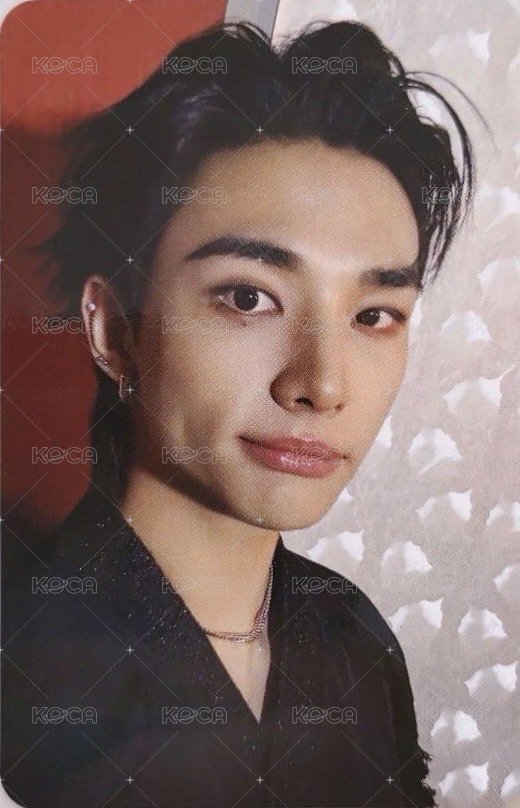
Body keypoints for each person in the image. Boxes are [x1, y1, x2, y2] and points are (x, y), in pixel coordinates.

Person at [2, 17, 480, 808]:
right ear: (114, 329)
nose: (322, 385)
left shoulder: (352, 640)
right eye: (249, 298)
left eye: (373, 315)